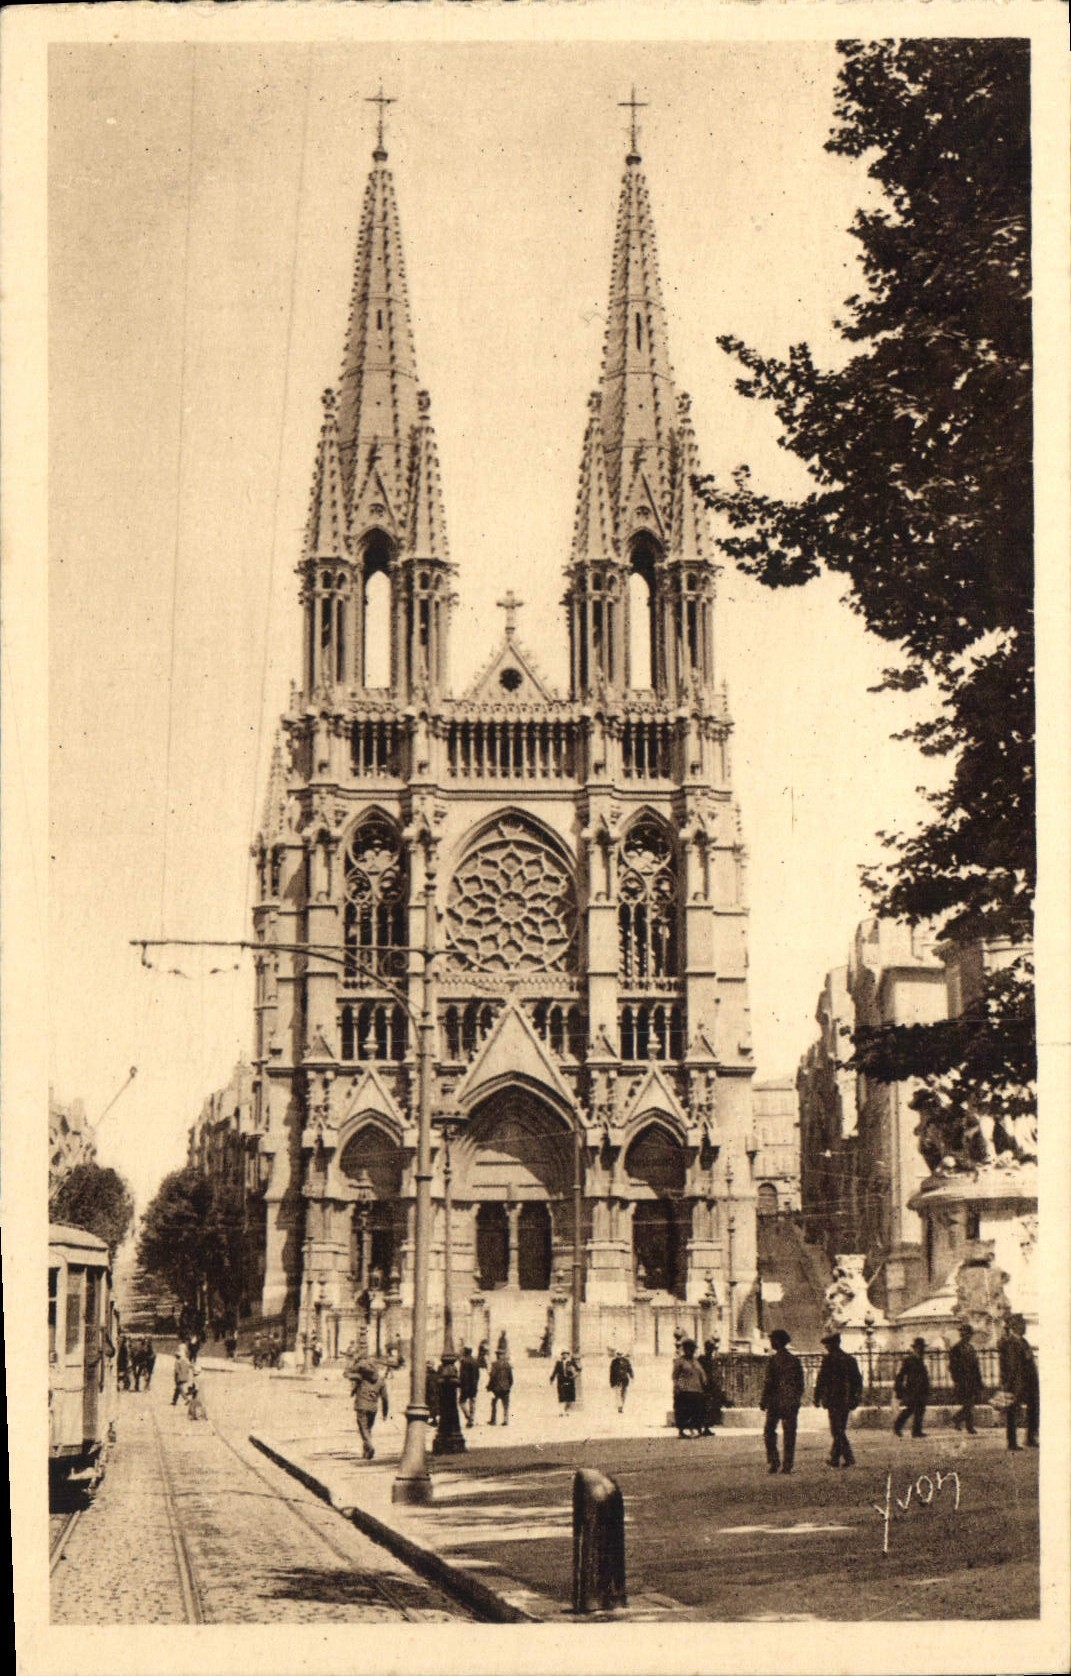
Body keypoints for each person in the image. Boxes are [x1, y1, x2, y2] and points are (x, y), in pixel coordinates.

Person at [814, 1330, 864, 1467]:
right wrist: (856, 1398)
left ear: (834, 1344)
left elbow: (821, 1381)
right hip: (846, 1399)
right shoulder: (850, 1360)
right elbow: (858, 1382)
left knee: (836, 1430)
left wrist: (817, 1397)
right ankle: (835, 1458)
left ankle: (848, 1457)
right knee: (839, 1428)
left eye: (828, 1344)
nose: (826, 1347)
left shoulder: (828, 1360)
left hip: (832, 1399)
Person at [760, 1328, 804, 1473]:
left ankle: (774, 1461)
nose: (771, 1342)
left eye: (772, 1340)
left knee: (769, 1431)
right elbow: (800, 1383)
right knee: (790, 1433)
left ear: (777, 1341)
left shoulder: (773, 1360)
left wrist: (764, 1400)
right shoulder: (795, 1360)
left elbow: (769, 1382)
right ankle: (787, 1464)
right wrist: (797, 1399)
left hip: (775, 1401)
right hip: (791, 1401)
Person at [998, 1314, 1038, 1450]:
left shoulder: (1023, 1341)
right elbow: (1012, 1366)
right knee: (1012, 1412)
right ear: (1016, 1327)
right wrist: (1008, 1384)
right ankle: (1012, 1442)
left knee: (1033, 1409)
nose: (1025, 1327)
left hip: (1029, 1382)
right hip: (1017, 1383)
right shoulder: (1011, 1343)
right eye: (1022, 1324)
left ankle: (1030, 1437)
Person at [948, 1322, 985, 1435]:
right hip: (963, 1380)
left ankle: (964, 1423)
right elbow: (953, 1366)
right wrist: (957, 1380)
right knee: (968, 1403)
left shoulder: (970, 1348)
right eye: (964, 1333)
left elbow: (975, 1366)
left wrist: (979, 1381)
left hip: (972, 1379)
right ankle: (960, 1420)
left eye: (968, 1334)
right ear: (961, 1335)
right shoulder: (956, 1348)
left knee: (970, 1403)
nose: (967, 1336)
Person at [350, 1356, 387, 1461]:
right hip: (373, 1408)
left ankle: (369, 1447)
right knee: (368, 1429)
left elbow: (346, 1373)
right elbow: (385, 1399)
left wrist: (356, 1365)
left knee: (363, 1429)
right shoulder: (381, 1381)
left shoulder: (361, 1378)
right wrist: (385, 1413)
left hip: (361, 1406)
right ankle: (366, 1452)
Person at [893, 1337, 931, 1438]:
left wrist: (927, 1387)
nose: (923, 1350)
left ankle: (916, 1431)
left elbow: (924, 1376)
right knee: (910, 1409)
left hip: (921, 1389)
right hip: (912, 1389)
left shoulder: (920, 1359)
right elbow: (901, 1375)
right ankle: (897, 1426)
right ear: (916, 1348)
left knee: (920, 1409)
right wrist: (899, 1388)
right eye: (921, 1347)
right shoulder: (909, 1360)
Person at [672, 1339, 708, 1439]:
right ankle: (682, 1431)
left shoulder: (696, 1361)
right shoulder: (680, 1361)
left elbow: (702, 1373)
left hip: (696, 1389)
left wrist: (704, 1381)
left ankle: (694, 1429)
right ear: (685, 1349)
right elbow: (675, 1376)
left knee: (695, 1410)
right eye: (689, 1349)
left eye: (692, 1349)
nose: (691, 1351)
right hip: (684, 1390)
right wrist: (677, 1387)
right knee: (684, 1411)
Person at [697, 1340, 729, 1434]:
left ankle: (706, 1428)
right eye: (709, 1348)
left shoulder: (712, 1359)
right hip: (704, 1386)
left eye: (711, 1348)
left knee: (710, 1408)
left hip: (711, 1386)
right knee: (703, 1407)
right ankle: (701, 1428)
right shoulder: (702, 1359)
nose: (710, 1350)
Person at [487, 1346, 514, 1425]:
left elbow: (492, 1377)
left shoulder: (494, 1365)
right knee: (505, 1405)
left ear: (497, 1355)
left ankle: (493, 1420)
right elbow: (511, 1378)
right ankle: (506, 1420)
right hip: (506, 1388)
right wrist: (509, 1386)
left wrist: (489, 1387)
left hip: (496, 1388)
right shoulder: (507, 1364)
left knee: (494, 1404)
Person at [458, 1346, 480, 1427]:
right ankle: (472, 1418)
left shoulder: (464, 1362)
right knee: (472, 1402)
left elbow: (463, 1376)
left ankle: (468, 1417)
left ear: (465, 1352)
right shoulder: (475, 1361)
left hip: (465, 1386)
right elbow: (478, 1375)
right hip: (474, 1386)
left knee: (461, 1402)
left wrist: (460, 1385)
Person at [609, 1348, 634, 1414]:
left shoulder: (626, 1361)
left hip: (625, 1380)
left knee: (624, 1393)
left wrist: (632, 1377)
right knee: (617, 1393)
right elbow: (611, 1372)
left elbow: (630, 1369)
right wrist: (611, 1382)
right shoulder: (614, 1362)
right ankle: (619, 1406)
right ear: (616, 1355)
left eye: (620, 1354)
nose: (619, 1355)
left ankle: (622, 1405)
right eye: (618, 1354)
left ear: (623, 1354)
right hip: (616, 1380)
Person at [172, 1343, 195, 1407]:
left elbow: (176, 1371)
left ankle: (187, 1399)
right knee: (178, 1388)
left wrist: (176, 1377)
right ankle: (174, 1401)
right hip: (185, 1376)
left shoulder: (177, 1362)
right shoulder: (186, 1360)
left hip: (179, 1377)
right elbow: (191, 1366)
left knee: (179, 1388)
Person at [425, 1360, 442, 1425]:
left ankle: (434, 1420)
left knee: (432, 1406)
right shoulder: (436, 1374)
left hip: (431, 1393)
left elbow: (431, 1385)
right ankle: (434, 1420)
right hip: (434, 1393)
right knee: (434, 1406)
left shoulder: (429, 1375)